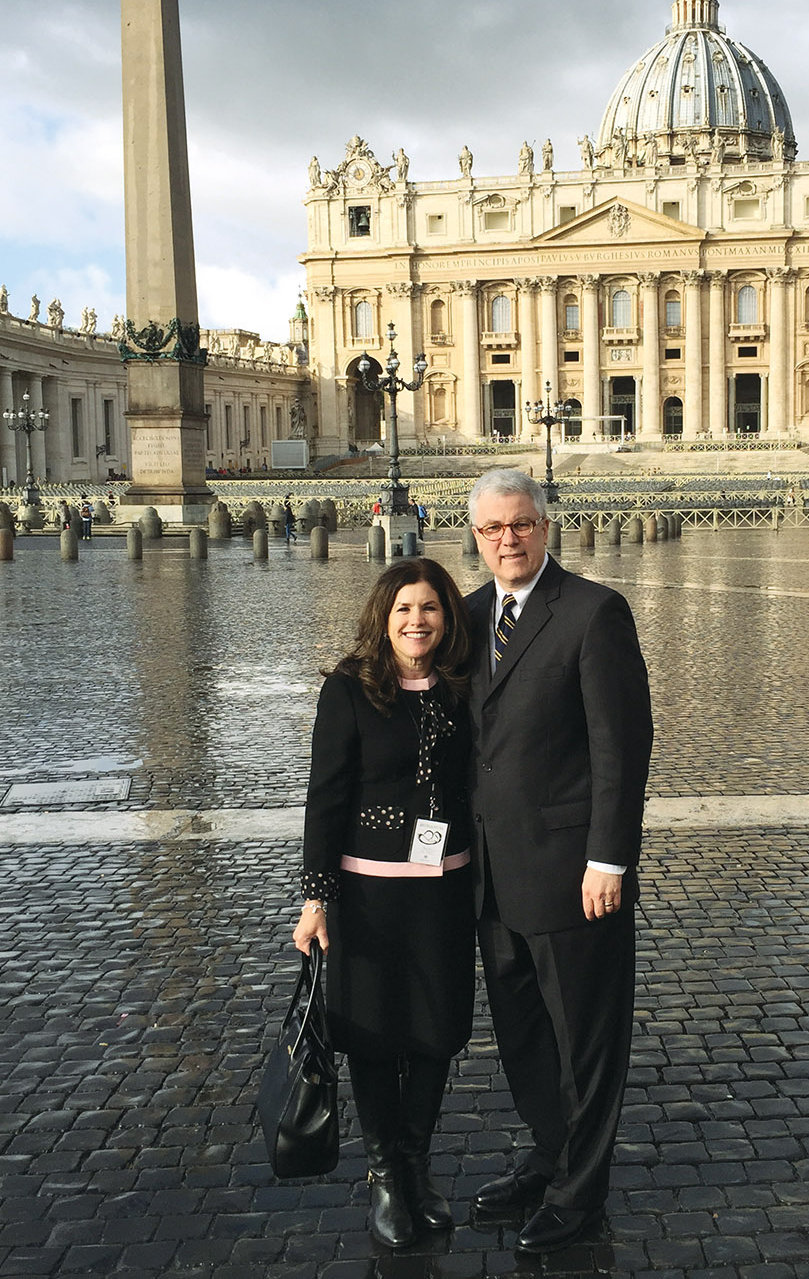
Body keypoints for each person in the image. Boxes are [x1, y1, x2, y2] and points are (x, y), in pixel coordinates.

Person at [464, 469, 652, 1254]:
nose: (508, 540)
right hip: (491, 876)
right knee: (523, 1035)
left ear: (546, 526)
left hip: (575, 874)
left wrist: (608, 857)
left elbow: (622, 744)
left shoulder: (593, 611)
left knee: (585, 1040)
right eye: (492, 529)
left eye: (521, 525)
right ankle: (552, 1154)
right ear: (474, 536)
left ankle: (581, 1193)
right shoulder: (468, 616)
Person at [293, 559, 475, 1247]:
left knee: (435, 1032)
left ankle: (416, 1164)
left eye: (428, 608)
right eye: (404, 609)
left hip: (444, 890)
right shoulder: (349, 689)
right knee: (371, 1036)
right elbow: (325, 798)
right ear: (383, 616)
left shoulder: (460, 688)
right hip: (368, 893)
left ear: (446, 617)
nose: (416, 620)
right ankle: (382, 1176)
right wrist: (317, 899)